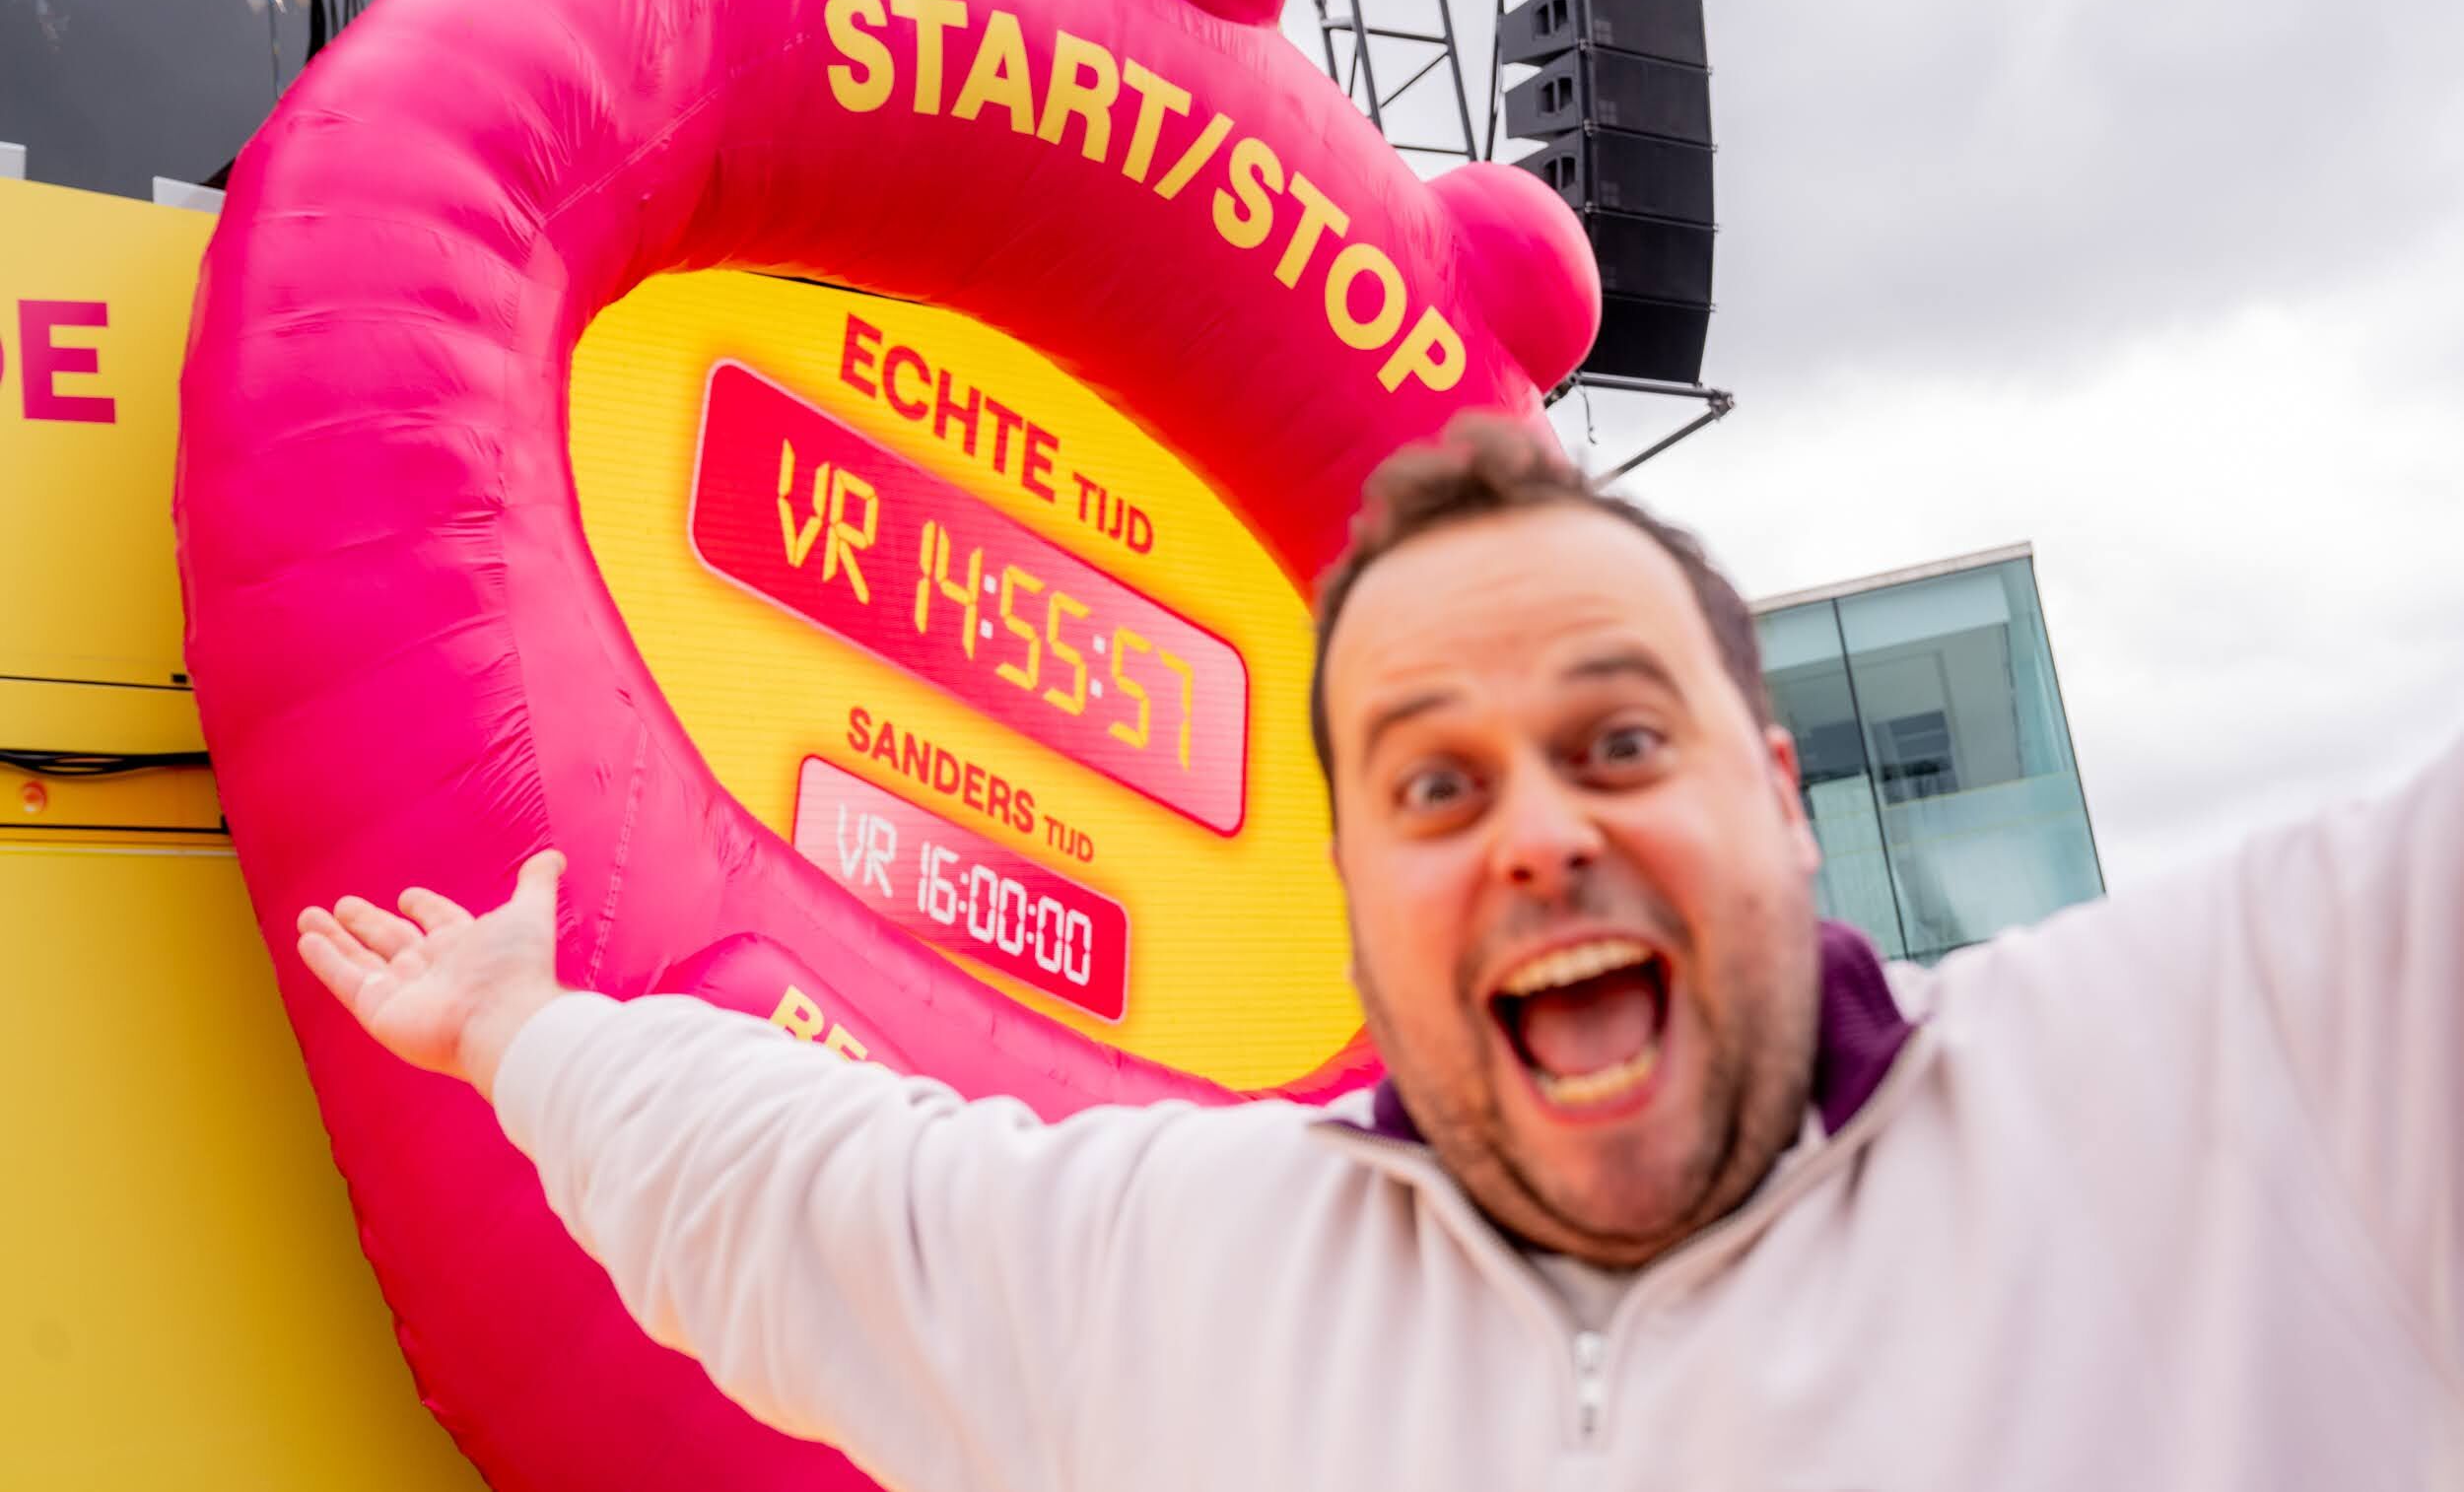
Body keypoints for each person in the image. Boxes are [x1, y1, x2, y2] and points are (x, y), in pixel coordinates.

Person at [298, 417, 2464, 1491]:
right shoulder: (1188, 1277)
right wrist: (519, 1026)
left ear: (1779, 796)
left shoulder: (2259, 1066)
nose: (1536, 832)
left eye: (1617, 741)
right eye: (1434, 785)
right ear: (1353, 896)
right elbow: (802, 1197)